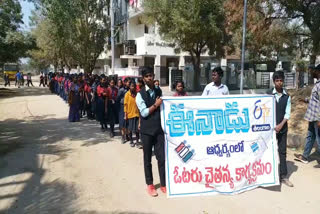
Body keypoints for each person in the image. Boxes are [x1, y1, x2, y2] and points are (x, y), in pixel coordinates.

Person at [136, 67, 166, 197]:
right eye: (147, 76)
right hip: (147, 131)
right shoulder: (140, 94)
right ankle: (150, 185)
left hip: (159, 130)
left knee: (161, 158)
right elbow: (144, 112)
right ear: (143, 79)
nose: (150, 78)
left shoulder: (159, 90)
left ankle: (164, 184)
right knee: (147, 159)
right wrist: (156, 105)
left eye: (151, 75)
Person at [267, 71, 293, 187]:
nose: (279, 83)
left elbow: (287, 114)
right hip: (270, 130)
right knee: (268, 151)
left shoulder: (287, 96)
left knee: (282, 152)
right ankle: (267, 175)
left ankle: (283, 176)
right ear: (274, 82)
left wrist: (280, 125)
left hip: (282, 129)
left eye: (281, 80)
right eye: (277, 80)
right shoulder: (268, 95)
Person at [294, 64, 320, 164]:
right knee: (310, 136)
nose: (312, 72)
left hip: (317, 118)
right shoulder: (317, 84)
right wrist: (305, 100)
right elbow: (316, 100)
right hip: (312, 116)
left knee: (318, 139)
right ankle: (305, 157)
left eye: (314, 71)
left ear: (318, 72)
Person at [124, 81, 141, 148]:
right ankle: (131, 141)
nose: (133, 87)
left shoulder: (137, 94)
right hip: (130, 114)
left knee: (137, 129)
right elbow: (125, 105)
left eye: (134, 86)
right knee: (130, 129)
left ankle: (137, 141)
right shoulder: (127, 94)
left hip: (137, 114)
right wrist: (125, 115)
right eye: (131, 86)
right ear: (129, 87)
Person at [117, 78, 130, 143]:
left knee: (128, 122)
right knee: (122, 122)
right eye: (128, 82)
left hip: (129, 107)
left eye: (129, 82)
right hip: (122, 107)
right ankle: (123, 136)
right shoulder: (121, 90)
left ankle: (127, 135)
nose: (129, 83)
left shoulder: (130, 90)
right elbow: (118, 98)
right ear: (124, 82)